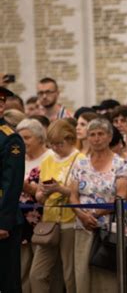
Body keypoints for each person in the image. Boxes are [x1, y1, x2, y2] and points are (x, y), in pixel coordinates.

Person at [69, 118, 127, 293]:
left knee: (107, 277)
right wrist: (82, 215)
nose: (96, 138)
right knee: (82, 274)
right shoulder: (80, 163)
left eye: (101, 134)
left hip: (110, 226)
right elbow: (73, 195)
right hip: (83, 225)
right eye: (92, 135)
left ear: (109, 136)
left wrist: (94, 214)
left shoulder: (120, 163)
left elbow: (121, 196)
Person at [29, 119, 83, 293]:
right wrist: (43, 193)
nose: (55, 148)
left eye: (59, 144)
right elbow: (38, 196)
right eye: (51, 144)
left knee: (70, 274)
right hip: (49, 223)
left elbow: (83, 195)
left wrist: (61, 189)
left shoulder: (80, 159)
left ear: (70, 139)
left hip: (71, 222)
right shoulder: (47, 160)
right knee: (36, 274)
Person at [16, 118, 53, 293]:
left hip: (43, 222)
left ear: (40, 138)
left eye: (27, 137)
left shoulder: (50, 157)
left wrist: (28, 187)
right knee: (22, 271)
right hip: (21, 222)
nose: (22, 142)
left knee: (38, 273)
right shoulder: (18, 159)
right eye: (19, 138)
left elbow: (49, 190)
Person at [0, 87, 25, 293]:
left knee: (7, 281)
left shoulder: (9, 138)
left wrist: (3, 221)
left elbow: (12, 184)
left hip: (2, 219)